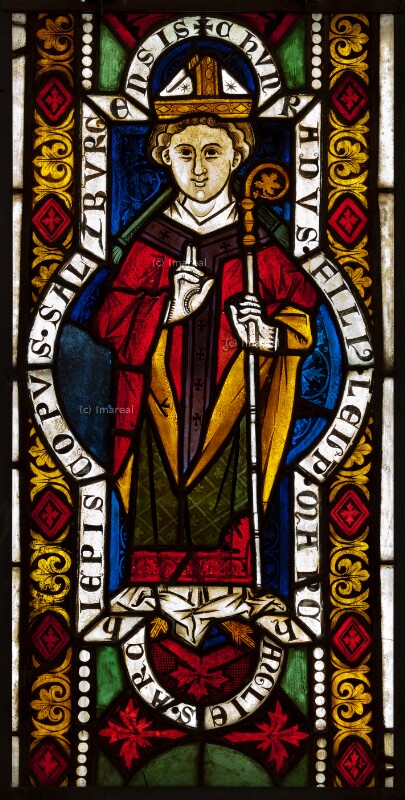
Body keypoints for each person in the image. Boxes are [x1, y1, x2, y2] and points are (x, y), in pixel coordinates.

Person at [90, 112, 317, 583]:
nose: (198, 169)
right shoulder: (151, 240)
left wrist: (269, 336)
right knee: (159, 508)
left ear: (236, 158)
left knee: (229, 503)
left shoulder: (257, 244)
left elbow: (301, 314)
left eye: (212, 153)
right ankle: (153, 587)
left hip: (234, 409)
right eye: (184, 153)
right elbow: (107, 321)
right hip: (158, 410)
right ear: (164, 159)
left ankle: (233, 586)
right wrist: (167, 309)